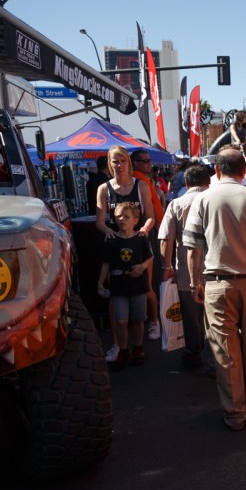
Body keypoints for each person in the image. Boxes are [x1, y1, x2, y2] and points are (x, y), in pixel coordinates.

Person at [184, 147, 246, 431]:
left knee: (225, 350)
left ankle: (235, 413)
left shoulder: (202, 199)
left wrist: (194, 282)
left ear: (216, 170)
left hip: (217, 283)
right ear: (243, 171)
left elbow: (193, 249)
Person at [95, 146, 157, 361]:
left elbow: (151, 216)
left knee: (144, 287)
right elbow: (100, 221)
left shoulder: (141, 186)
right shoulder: (104, 188)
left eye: (122, 161)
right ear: (109, 164)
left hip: (138, 243)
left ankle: (151, 325)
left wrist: (143, 230)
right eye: (114, 161)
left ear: (128, 163)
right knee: (117, 296)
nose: (119, 165)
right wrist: (109, 231)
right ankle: (118, 345)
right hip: (115, 245)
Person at [158, 164, 213, 370]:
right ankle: (215, 357)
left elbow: (166, 238)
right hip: (216, 268)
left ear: (186, 182)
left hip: (186, 270)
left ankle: (194, 352)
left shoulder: (176, 203)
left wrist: (166, 266)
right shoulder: (216, 201)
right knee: (215, 317)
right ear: (208, 181)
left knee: (191, 317)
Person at [97, 202, 152, 371]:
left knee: (137, 319)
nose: (122, 220)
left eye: (126, 217)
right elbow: (106, 262)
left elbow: (150, 257)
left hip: (137, 285)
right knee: (121, 320)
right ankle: (123, 350)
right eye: (119, 216)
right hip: (119, 285)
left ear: (135, 220)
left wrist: (142, 267)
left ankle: (137, 348)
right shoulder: (111, 240)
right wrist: (100, 282)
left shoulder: (141, 238)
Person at [130, 148, 165, 341]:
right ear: (135, 163)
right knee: (149, 280)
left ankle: (151, 319)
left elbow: (154, 207)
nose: (149, 164)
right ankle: (151, 319)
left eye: (149, 161)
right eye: (145, 161)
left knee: (149, 280)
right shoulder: (139, 181)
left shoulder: (142, 180)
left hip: (149, 231)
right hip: (146, 233)